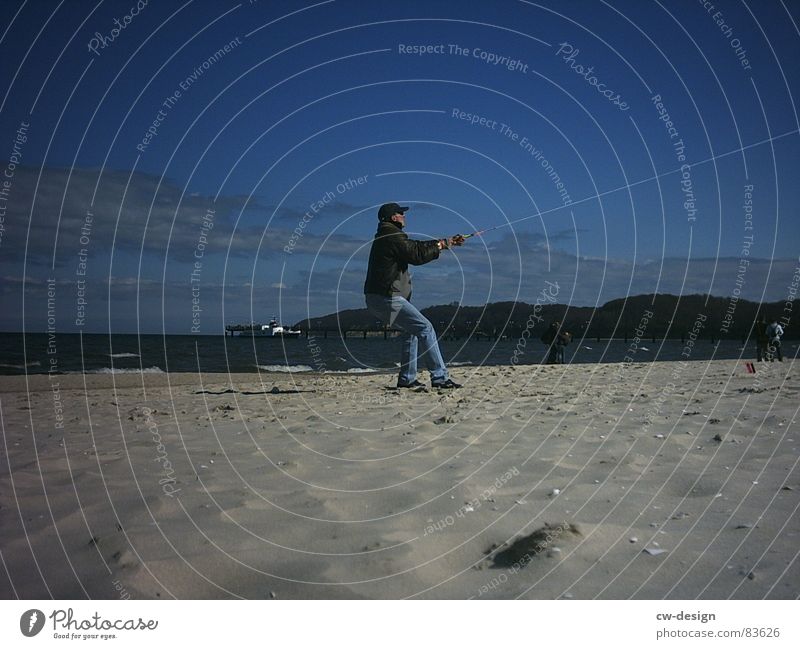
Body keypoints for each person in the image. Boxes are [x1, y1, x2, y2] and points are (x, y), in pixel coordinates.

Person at [364, 203, 464, 389]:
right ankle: (440, 377)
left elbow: (414, 247)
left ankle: (407, 379)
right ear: (393, 217)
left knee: (412, 332)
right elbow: (416, 255)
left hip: (376, 297)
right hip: (386, 297)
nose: (404, 216)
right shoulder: (392, 236)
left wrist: (445, 243)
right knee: (426, 328)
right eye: (401, 213)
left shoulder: (387, 236)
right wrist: (442, 245)